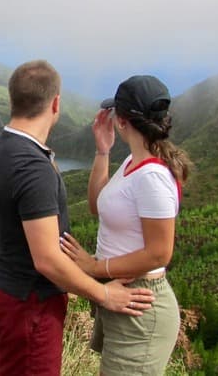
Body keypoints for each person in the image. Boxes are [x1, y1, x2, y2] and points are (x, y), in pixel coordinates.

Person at [0, 60, 156, 376]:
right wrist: (104, 294)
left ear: (13, 100)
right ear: (56, 103)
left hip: (11, 290)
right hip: (31, 301)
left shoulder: (4, 147)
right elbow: (47, 260)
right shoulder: (33, 168)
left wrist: (102, 151)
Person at [60, 74, 193, 376]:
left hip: (141, 304)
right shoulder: (132, 164)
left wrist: (94, 269)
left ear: (121, 121)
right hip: (123, 297)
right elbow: (98, 206)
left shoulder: (152, 177)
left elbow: (160, 253)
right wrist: (103, 151)